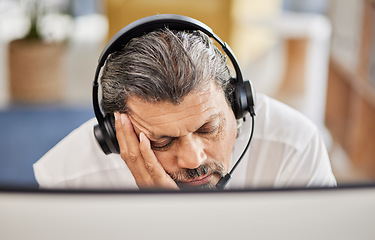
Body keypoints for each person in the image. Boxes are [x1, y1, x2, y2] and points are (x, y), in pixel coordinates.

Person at [33, 15, 336, 190]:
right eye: (162, 141)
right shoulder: (67, 178)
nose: (193, 159)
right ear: (115, 134)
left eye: (208, 128)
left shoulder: (295, 146)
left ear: (237, 103)